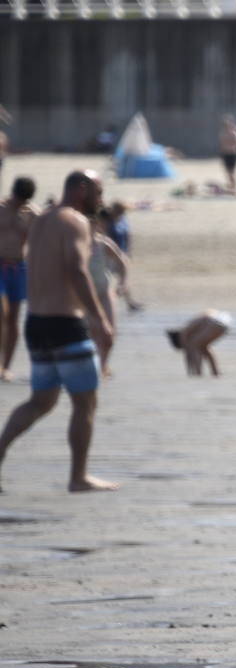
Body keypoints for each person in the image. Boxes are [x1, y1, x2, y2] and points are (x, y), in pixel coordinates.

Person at [0, 169, 117, 493]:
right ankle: (78, 477)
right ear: (81, 189)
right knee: (85, 403)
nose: (101, 198)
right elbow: (76, 270)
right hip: (66, 324)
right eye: (98, 191)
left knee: (40, 402)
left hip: (36, 324)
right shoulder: (75, 222)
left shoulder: (41, 220)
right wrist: (99, 318)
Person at [88, 210, 135, 377]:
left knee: (110, 333)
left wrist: (123, 282)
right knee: (90, 334)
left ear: (97, 225)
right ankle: (92, 367)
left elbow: (123, 262)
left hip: (104, 292)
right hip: (84, 296)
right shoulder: (75, 244)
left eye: (92, 224)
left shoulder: (103, 244)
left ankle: (102, 365)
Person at [0, 176, 38, 381]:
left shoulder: (31, 213)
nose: (19, 204)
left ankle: (6, 366)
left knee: (13, 318)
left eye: (23, 201)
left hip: (18, 267)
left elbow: (44, 235)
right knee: (1, 311)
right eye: (17, 200)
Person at [166, 310, 232, 377]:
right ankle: (215, 372)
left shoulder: (183, 332)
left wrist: (189, 371)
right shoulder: (193, 329)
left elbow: (188, 353)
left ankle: (198, 373)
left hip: (216, 321)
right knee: (203, 348)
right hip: (226, 321)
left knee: (195, 345)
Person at [218, 115, 236, 193]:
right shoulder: (223, 132)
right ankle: (231, 186)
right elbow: (222, 144)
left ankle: (234, 186)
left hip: (233, 154)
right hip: (225, 154)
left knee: (232, 171)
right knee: (227, 171)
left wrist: (235, 148)